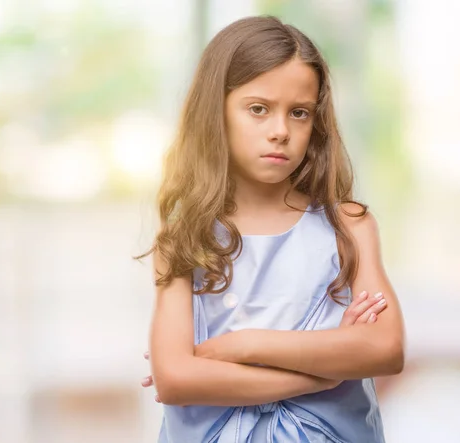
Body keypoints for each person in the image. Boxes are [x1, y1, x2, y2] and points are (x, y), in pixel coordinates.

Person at [137, 15, 405, 443]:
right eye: (258, 109)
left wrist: (241, 345)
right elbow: (175, 379)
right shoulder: (184, 236)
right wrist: (322, 372)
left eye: (299, 113)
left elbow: (384, 350)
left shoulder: (349, 226)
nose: (280, 131)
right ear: (216, 112)